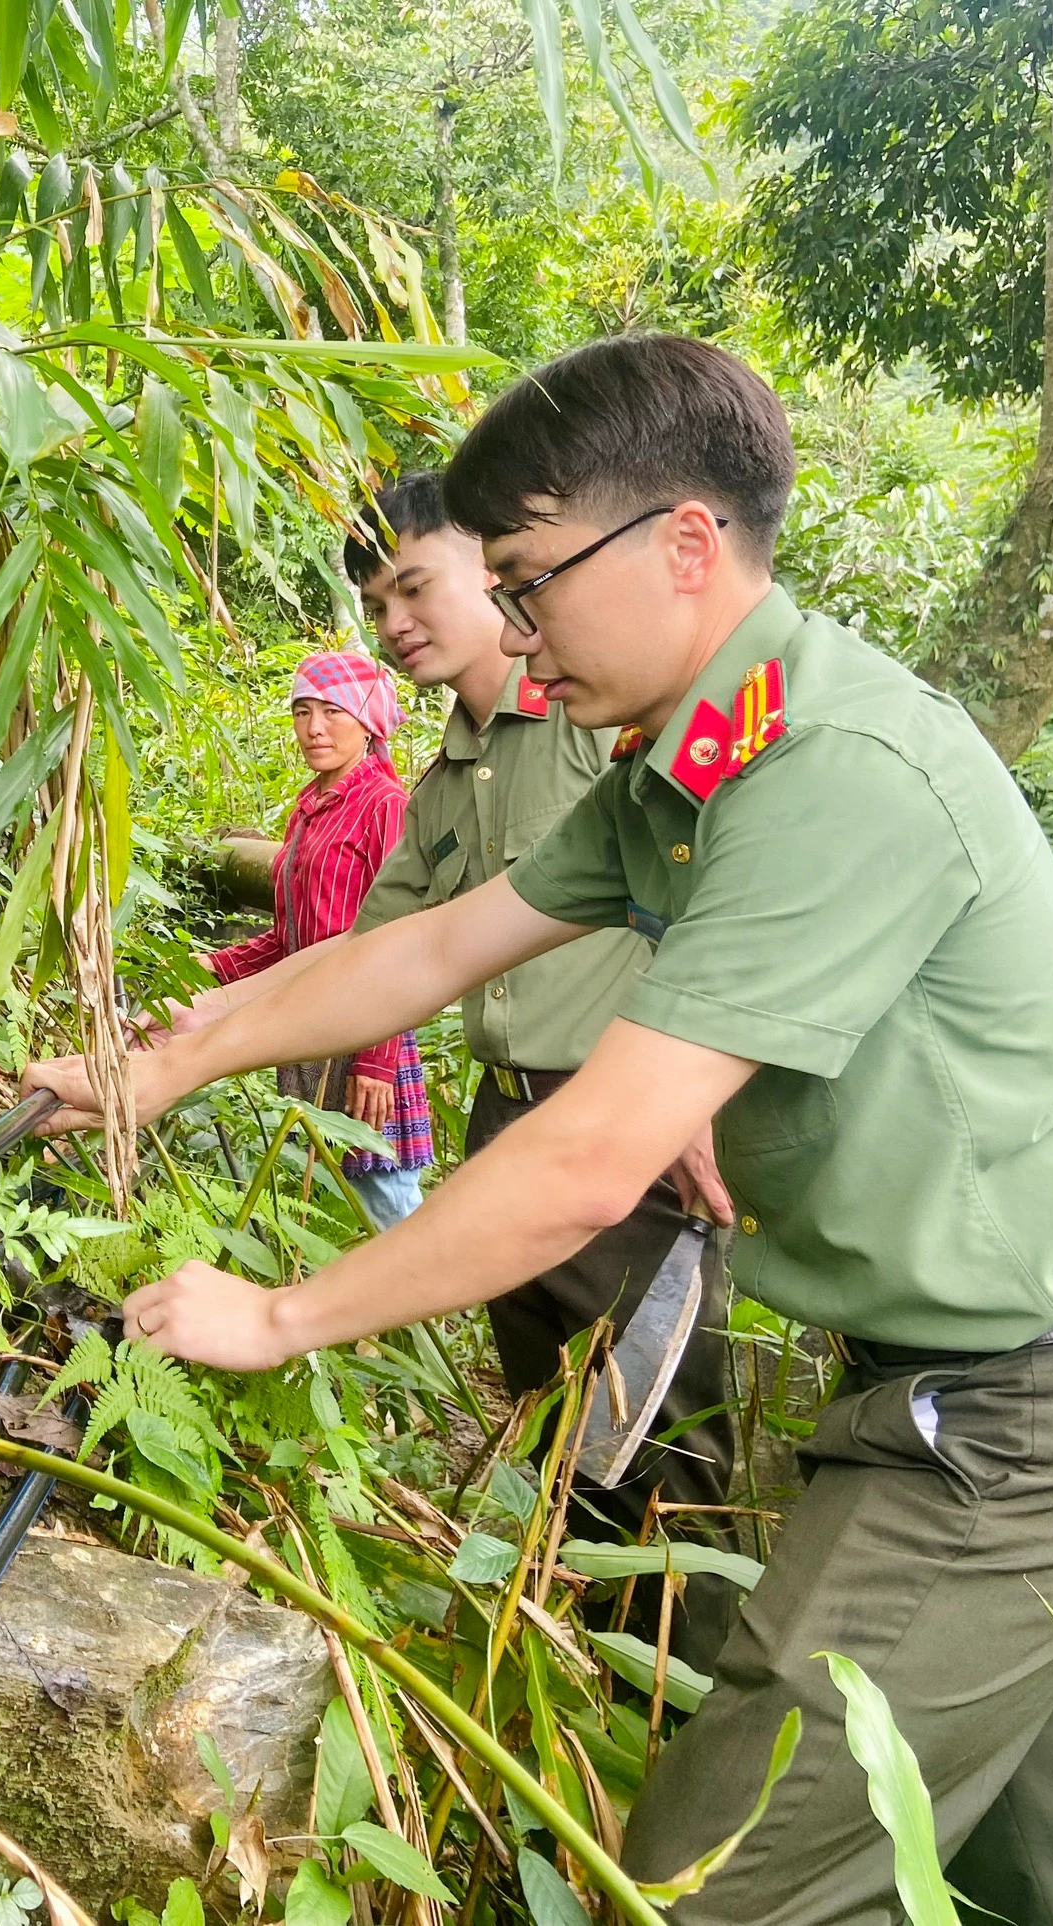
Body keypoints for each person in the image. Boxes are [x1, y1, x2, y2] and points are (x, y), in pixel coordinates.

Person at [30, 335, 1053, 1925]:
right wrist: (163, 1065)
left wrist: (285, 1316)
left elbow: (596, 1154)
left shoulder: (831, 768)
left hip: (1026, 1427)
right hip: (993, 1395)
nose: (514, 635)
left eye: (528, 583)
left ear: (681, 541)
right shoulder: (699, 757)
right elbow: (434, 945)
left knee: (701, 1889)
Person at [172, 473, 740, 1664]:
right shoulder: (447, 780)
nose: (395, 621)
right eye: (376, 604)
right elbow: (376, 953)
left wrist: (705, 1083)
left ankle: (678, 1708)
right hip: (509, 1121)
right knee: (557, 1433)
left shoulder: (607, 736)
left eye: (414, 584)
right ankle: (570, 1686)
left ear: (499, 569)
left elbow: (719, 889)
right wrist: (194, 1037)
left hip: (630, 1140)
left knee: (662, 1457)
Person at [199, 650, 434, 1228]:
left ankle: (436, 1313)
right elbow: (291, 938)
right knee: (340, 1185)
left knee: (388, 1195)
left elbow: (399, 938)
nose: (314, 728)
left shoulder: (386, 807)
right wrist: (209, 968)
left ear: (368, 720)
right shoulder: (310, 810)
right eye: (302, 712)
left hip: (368, 1030)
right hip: (315, 1019)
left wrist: (376, 1061)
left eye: (332, 711)